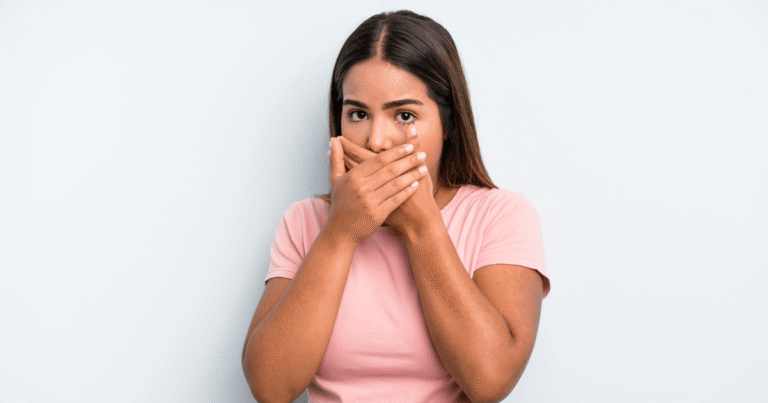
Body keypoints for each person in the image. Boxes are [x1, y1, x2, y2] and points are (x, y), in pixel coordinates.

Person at [242, 10, 550, 403]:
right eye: (358, 114)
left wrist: (422, 227)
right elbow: (270, 388)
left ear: (448, 123)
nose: (376, 141)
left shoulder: (500, 217)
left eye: (404, 115)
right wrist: (339, 234)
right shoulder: (305, 221)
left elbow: (490, 381)